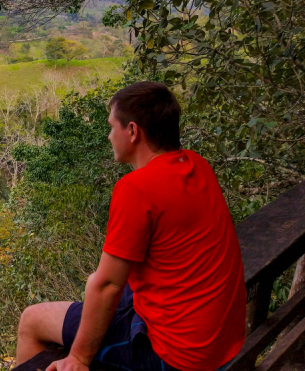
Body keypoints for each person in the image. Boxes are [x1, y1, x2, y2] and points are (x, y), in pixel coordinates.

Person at [14, 82, 246, 371]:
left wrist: (77, 358)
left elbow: (109, 286)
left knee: (32, 320)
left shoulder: (136, 188)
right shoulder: (198, 165)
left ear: (133, 131)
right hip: (222, 345)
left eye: (113, 127)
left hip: (177, 358)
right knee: (96, 283)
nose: (110, 136)